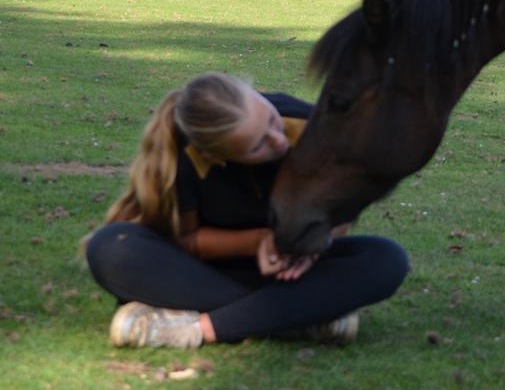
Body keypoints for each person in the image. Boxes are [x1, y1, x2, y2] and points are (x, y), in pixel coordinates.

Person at [86, 72, 409, 348]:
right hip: (211, 274)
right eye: (257, 146)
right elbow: (189, 240)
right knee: (111, 247)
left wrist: (311, 246)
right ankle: (305, 316)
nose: (277, 140)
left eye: (270, 119)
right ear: (214, 154)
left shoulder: (312, 125)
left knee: (386, 259)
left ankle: (195, 329)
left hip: (296, 273)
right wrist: (258, 242)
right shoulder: (188, 155)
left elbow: (341, 214)